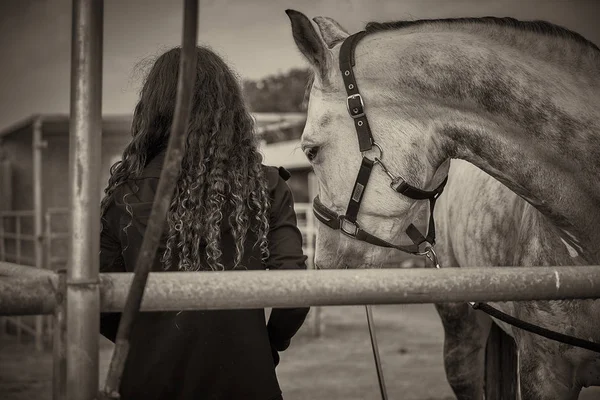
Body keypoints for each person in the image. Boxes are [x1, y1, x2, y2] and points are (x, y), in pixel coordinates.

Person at [99, 45, 310, 400]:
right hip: (246, 382)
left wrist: (149, 342)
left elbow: (101, 299)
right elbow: (295, 293)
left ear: (153, 111)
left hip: (148, 381)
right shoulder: (267, 185)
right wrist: (266, 344)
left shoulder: (124, 195)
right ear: (230, 111)